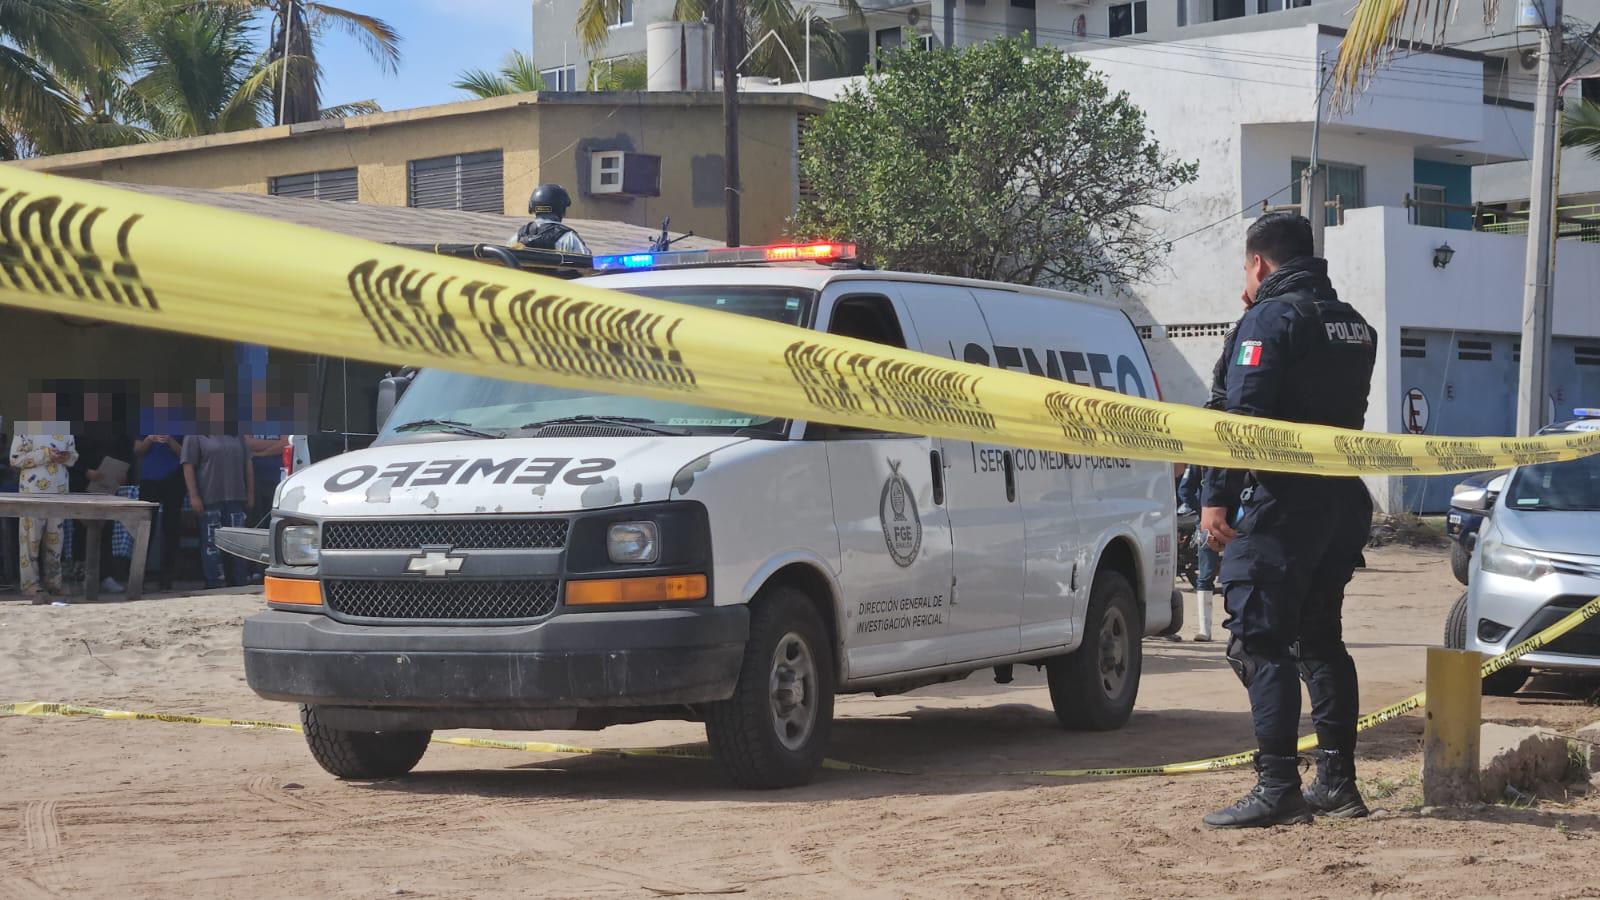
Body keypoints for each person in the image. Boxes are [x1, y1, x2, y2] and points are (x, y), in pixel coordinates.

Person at [1198, 212, 1377, 829]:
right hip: (1340, 502)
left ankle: (1278, 786)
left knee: (1257, 641)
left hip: (1282, 503)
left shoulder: (1270, 318)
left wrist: (1216, 497)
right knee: (1319, 638)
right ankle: (1338, 785)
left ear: (1258, 263)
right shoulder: (1354, 323)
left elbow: (1242, 418)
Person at [182, 385, 254, 589]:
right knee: (211, 542)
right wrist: (193, 496)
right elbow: (188, 465)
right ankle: (214, 582)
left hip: (236, 497)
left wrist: (250, 493)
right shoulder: (196, 434)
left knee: (238, 542)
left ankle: (239, 581)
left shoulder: (236, 433)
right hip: (209, 497)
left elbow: (248, 463)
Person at [10, 394, 77, 602]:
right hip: (32, 493)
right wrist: (45, 454)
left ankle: (54, 583)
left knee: (56, 540)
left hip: (59, 493)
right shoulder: (25, 428)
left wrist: (66, 457)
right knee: (30, 539)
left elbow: (74, 456)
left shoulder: (64, 429)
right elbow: (15, 459)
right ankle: (30, 585)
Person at [136, 393, 188, 590]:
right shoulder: (145, 418)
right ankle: (139, 576)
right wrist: (150, 439)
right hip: (149, 479)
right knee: (145, 527)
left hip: (174, 478)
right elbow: (137, 451)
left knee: (171, 528)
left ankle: (167, 578)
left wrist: (170, 441)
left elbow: (186, 453)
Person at [512, 183, 591, 254]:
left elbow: (506, 258)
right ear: (561, 208)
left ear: (532, 206)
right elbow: (587, 262)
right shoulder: (568, 237)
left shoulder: (520, 235)